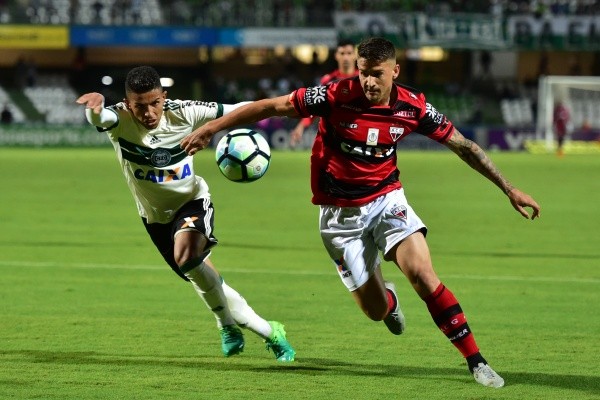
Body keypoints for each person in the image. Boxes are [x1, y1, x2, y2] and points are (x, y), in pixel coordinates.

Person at [181, 37, 542, 388]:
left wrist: (509, 188)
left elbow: (464, 146)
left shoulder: (413, 107)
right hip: (340, 219)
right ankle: (389, 300)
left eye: (377, 74)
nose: (369, 81)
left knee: (423, 275)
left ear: (394, 71)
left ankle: (477, 361)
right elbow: (272, 106)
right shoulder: (334, 95)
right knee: (375, 311)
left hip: (387, 201)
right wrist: (212, 128)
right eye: (363, 72)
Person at [76, 66, 295, 362]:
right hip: (155, 219)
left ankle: (225, 325)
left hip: (192, 201)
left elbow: (239, 109)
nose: (149, 113)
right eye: (140, 106)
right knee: (207, 279)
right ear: (128, 104)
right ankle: (271, 332)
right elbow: (100, 118)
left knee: (187, 256)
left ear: (164, 97)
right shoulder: (120, 120)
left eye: (155, 103)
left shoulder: (186, 112)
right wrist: (94, 109)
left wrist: (285, 105)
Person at [289, 39, 358, 147]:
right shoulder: (328, 81)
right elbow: (315, 105)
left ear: (355, 55)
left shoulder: (363, 79)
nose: (345, 57)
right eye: (342, 53)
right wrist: (301, 126)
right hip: (334, 135)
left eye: (349, 53)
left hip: (357, 132)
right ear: (336, 56)